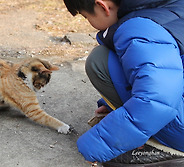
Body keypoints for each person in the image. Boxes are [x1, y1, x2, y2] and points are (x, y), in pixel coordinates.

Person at [63, 0, 184, 166]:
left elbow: (158, 97)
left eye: (86, 17)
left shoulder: (138, 29)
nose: (89, 23)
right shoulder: (170, 6)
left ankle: (170, 149)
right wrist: (115, 101)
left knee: (99, 60)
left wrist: (98, 144)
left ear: (103, 6)